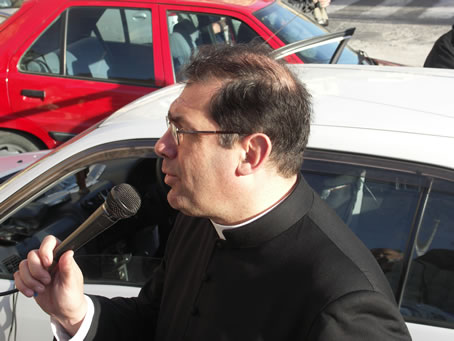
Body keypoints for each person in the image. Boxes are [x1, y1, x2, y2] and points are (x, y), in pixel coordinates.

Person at [14, 43, 412, 340]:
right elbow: (153, 323)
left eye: (181, 131)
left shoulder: (346, 304)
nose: (162, 147)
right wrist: (75, 314)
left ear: (250, 153)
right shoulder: (199, 219)